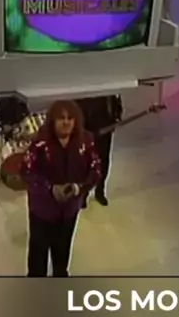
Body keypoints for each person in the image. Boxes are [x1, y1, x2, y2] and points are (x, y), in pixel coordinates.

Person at [21, 100, 101, 277]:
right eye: (61, 118)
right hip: (42, 212)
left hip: (69, 212)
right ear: (53, 121)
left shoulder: (86, 141)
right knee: (37, 258)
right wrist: (50, 188)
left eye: (70, 118)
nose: (66, 122)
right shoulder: (40, 143)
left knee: (62, 254)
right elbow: (26, 172)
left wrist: (79, 187)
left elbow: (95, 170)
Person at [76, 95, 123, 207]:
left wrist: (116, 117)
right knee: (85, 161)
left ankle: (100, 190)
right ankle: (84, 193)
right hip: (87, 127)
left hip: (105, 126)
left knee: (104, 161)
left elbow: (115, 99)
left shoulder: (108, 91)